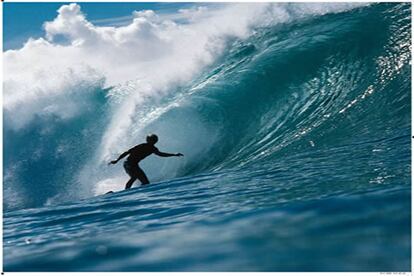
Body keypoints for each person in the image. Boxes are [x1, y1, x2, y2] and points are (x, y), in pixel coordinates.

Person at [109, 134, 183, 189]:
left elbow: (160, 154)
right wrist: (117, 160)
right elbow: (127, 152)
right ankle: (126, 191)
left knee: (145, 182)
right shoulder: (142, 146)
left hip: (134, 164)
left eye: (154, 140)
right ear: (147, 140)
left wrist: (174, 154)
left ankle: (138, 194)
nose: (153, 141)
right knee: (134, 177)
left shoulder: (153, 148)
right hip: (128, 163)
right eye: (151, 140)